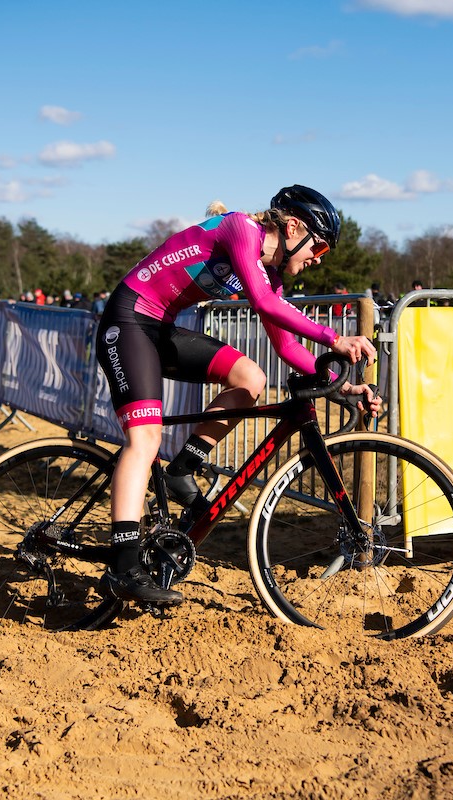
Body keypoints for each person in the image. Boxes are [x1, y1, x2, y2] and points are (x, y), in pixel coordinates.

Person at [94, 185, 381, 604]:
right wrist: (334, 338)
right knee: (145, 438)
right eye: (317, 247)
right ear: (293, 226)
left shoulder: (271, 273)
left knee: (251, 378)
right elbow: (264, 304)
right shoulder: (240, 229)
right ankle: (121, 566)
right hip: (129, 319)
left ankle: (179, 471)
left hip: (159, 326)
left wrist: (346, 388)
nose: (317, 259)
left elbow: (285, 346)